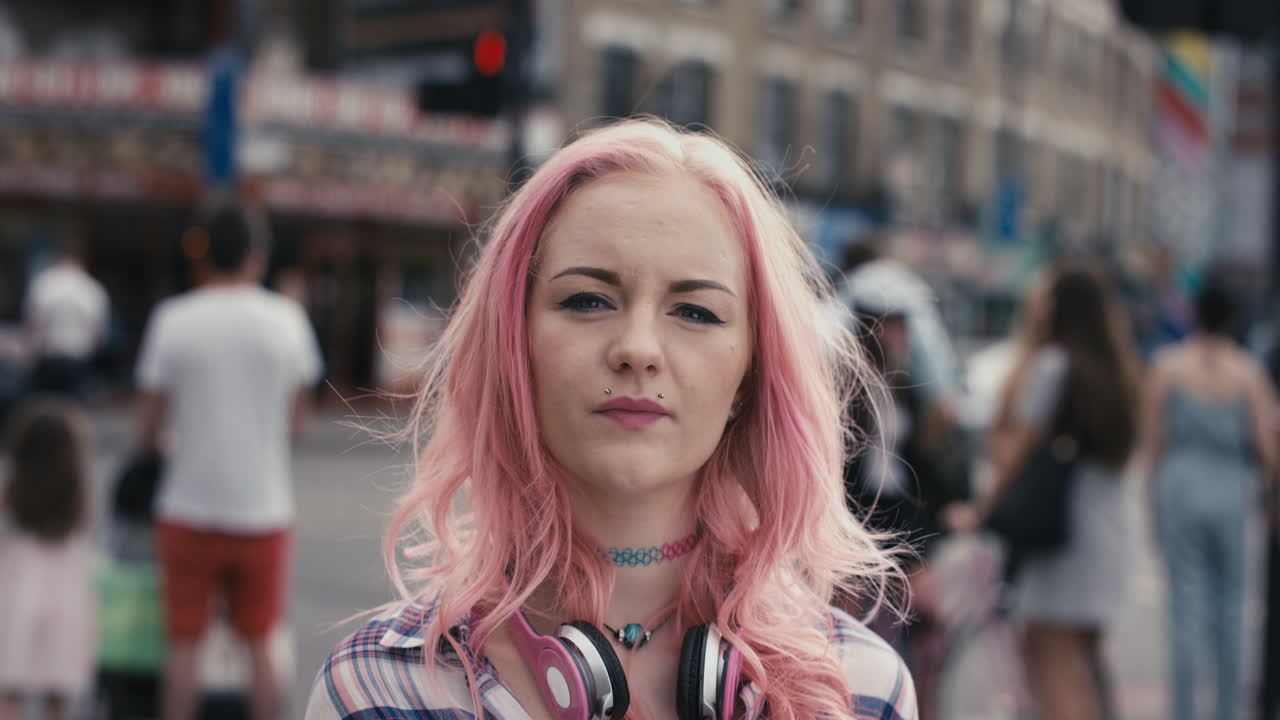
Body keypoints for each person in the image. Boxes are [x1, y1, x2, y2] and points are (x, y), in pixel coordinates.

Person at [306, 119, 917, 720]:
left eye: (696, 312)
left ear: (751, 372)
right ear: (516, 346)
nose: (639, 348)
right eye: (588, 300)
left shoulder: (859, 688)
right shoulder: (378, 689)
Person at [134, 205, 323, 720]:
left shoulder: (172, 320)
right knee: (261, 644)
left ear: (202, 258)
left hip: (186, 507)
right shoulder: (287, 321)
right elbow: (297, 422)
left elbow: (148, 427)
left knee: (184, 646)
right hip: (263, 510)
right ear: (256, 257)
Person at [948, 261, 1140, 720]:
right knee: (1083, 663)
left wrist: (981, 508)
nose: (1038, 302)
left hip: (1066, 539)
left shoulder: (1055, 365)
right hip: (1107, 531)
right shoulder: (1117, 371)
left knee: (1052, 660)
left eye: (1046, 295)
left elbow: (1022, 450)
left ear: (1062, 307)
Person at [1137, 280, 1277, 720]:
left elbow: (1152, 444)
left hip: (1180, 485)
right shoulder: (1248, 373)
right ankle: (1227, 710)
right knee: (1232, 607)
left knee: (1185, 608)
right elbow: (1267, 444)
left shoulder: (1168, 366)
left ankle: (1183, 710)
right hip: (1232, 489)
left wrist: (1151, 507)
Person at [0, 399, 96, 720]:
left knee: (11, 682)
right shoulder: (77, 494)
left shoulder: (13, 489)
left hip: (19, 574)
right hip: (67, 580)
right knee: (58, 688)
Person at [22, 225, 110, 400]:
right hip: (77, 362)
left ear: (58, 257)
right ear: (82, 259)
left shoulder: (44, 282)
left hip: (47, 360)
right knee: (71, 412)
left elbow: (32, 324)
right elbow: (99, 335)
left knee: (45, 409)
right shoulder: (92, 288)